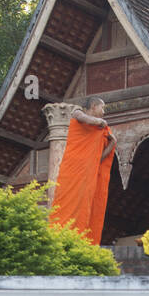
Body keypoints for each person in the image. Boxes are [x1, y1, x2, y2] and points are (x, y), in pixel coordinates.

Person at [49, 96, 116, 245]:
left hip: (87, 176)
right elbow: (77, 115)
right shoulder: (79, 114)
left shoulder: (101, 131)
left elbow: (99, 159)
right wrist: (98, 122)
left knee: (84, 209)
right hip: (71, 172)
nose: (104, 112)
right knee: (64, 206)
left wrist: (112, 143)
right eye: (102, 107)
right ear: (93, 106)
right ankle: (57, 238)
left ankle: (79, 243)